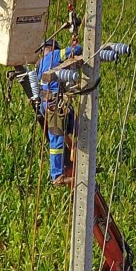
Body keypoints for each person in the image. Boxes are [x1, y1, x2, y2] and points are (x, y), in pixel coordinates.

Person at [33, 37, 82, 184]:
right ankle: (57, 175)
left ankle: (77, 153)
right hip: (54, 103)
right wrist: (75, 44)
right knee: (57, 138)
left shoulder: (40, 64)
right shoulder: (54, 55)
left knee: (74, 124)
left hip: (48, 102)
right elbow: (76, 50)